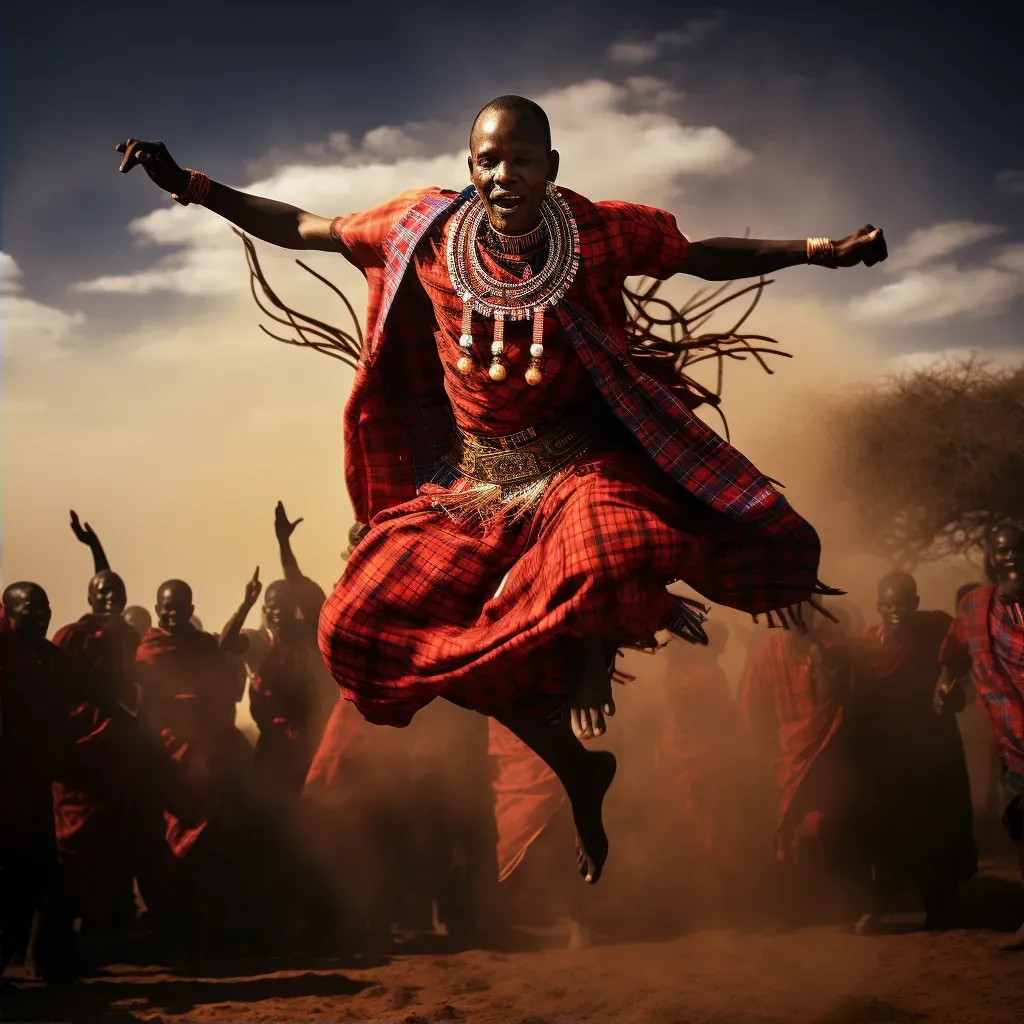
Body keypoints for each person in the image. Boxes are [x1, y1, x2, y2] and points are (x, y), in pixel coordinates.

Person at [116, 95, 886, 882]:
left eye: (521, 160)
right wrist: (191, 184)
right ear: (469, 167)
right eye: (488, 160)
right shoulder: (421, 229)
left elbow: (696, 253)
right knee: (353, 632)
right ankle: (574, 763)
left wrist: (818, 251)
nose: (504, 174)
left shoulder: (594, 230)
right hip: (476, 486)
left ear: (550, 168)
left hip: (581, 463)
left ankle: (591, 650)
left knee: (612, 548)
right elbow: (306, 227)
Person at [829, 572, 976, 933]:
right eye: (889, 604)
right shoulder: (868, 644)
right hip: (887, 756)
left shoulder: (937, 631)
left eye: (905, 602)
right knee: (885, 831)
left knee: (937, 829)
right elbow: (856, 700)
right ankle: (878, 907)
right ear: (879, 606)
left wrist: (951, 691)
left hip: (932, 749)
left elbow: (959, 664)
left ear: (916, 600)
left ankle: (942, 906)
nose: (897, 610)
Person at [134, 575, 258, 956]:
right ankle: (171, 929)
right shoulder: (147, 650)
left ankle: (204, 931)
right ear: (157, 610)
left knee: (208, 841)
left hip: (204, 754)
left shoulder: (202, 645)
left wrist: (245, 606)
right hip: (165, 754)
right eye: (166, 607)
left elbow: (223, 647)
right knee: (166, 843)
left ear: (191, 610)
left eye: (180, 607)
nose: (172, 614)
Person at [51, 513, 142, 942]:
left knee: (115, 839)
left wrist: (96, 547)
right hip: (81, 750)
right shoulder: (73, 637)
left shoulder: (127, 637)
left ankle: (108, 928)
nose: (110, 598)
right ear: (90, 598)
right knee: (75, 841)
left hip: (118, 754)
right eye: (102, 593)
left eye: (117, 593)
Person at [935, 521, 1024, 950]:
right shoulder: (973, 608)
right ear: (991, 558)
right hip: (1013, 744)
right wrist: (947, 682)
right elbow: (955, 654)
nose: (1009, 557)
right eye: (1001, 551)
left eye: (1017, 550)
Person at [0, 584, 83, 981]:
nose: (42, 616)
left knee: (45, 878)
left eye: (46, 608)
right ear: (8, 611)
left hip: (32, 788)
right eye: (31, 609)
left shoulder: (50, 659)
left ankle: (46, 962)